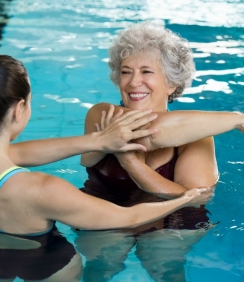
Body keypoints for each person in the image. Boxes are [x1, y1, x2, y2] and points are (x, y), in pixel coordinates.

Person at [0, 54, 208, 238]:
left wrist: (97, 141)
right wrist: (186, 198)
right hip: (42, 269)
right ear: (19, 109)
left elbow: (10, 154)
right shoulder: (43, 190)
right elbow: (128, 218)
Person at [74, 21, 244, 281]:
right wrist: (235, 119)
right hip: (107, 209)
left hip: (172, 220)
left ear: (172, 84)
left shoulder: (198, 137)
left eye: (146, 72)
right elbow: (152, 131)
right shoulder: (102, 114)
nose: (133, 82)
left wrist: (131, 162)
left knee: (163, 262)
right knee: (102, 263)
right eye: (126, 72)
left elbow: (195, 198)